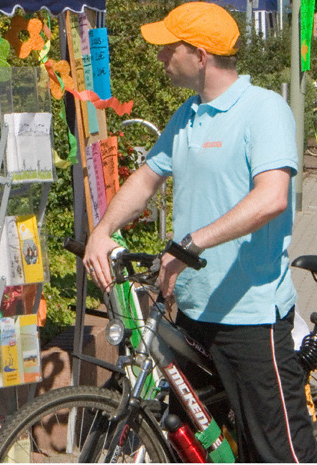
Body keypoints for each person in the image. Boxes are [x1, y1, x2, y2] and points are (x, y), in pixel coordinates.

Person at [83, 3, 317, 462]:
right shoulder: (188, 115)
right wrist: (103, 230)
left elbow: (271, 197)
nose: (160, 56)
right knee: (196, 447)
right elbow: (147, 179)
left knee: (279, 452)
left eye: (169, 47)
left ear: (201, 54)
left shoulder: (263, 109)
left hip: (250, 318)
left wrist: (190, 244)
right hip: (192, 316)